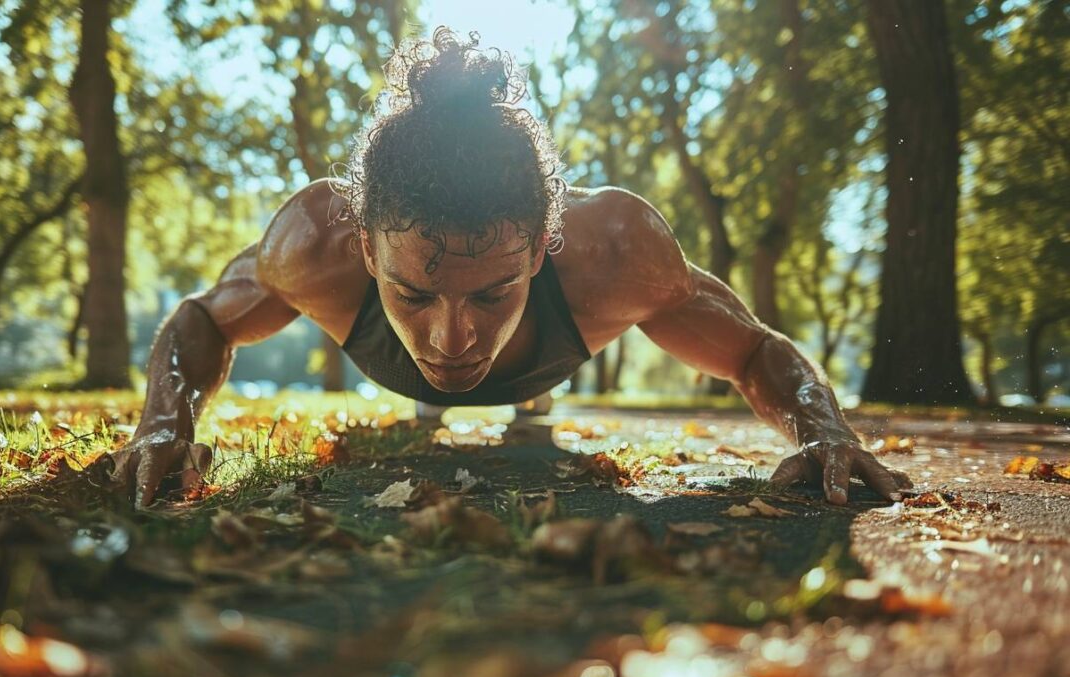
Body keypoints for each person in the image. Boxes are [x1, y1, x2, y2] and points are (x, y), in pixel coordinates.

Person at [104, 28, 912, 509]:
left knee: (521, 373)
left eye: (494, 293)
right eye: (412, 293)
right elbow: (201, 318)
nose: (453, 336)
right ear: (363, 248)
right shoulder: (313, 238)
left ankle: (530, 385)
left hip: (549, 342)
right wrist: (167, 423)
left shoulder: (617, 248)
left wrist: (823, 427)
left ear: (545, 241)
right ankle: (462, 364)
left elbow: (753, 348)